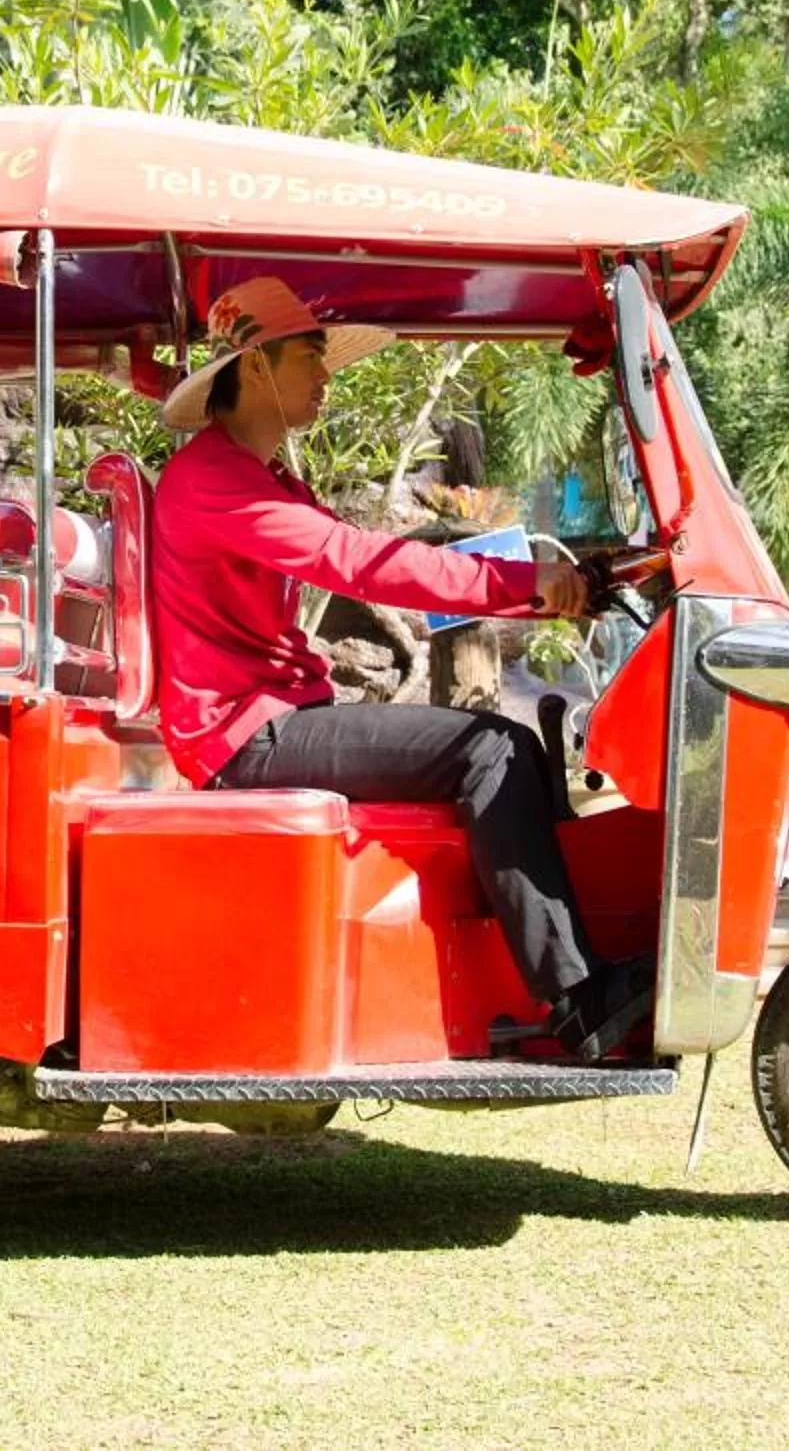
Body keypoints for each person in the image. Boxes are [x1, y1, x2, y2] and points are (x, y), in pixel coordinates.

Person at [150, 277, 654, 1061]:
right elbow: (361, 564)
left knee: (514, 751)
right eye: (310, 358)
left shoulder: (265, 477)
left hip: (277, 717)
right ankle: (577, 1002)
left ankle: (554, 977)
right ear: (254, 369)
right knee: (494, 749)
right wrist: (529, 589)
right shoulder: (216, 483)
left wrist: (552, 585)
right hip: (245, 739)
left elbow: (374, 561)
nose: (325, 378)